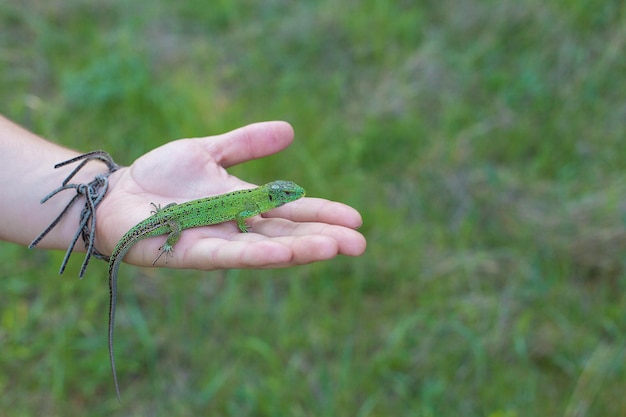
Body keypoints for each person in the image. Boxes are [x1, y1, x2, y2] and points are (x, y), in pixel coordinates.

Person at [0, 114, 366, 270]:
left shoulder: (256, 199)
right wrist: (245, 228)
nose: (290, 197)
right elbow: (240, 219)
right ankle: (168, 241)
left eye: (288, 196)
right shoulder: (250, 206)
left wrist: (106, 194)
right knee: (172, 229)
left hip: (167, 213)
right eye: (285, 196)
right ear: (272, 197)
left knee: (170, 222)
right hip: (170, 221)